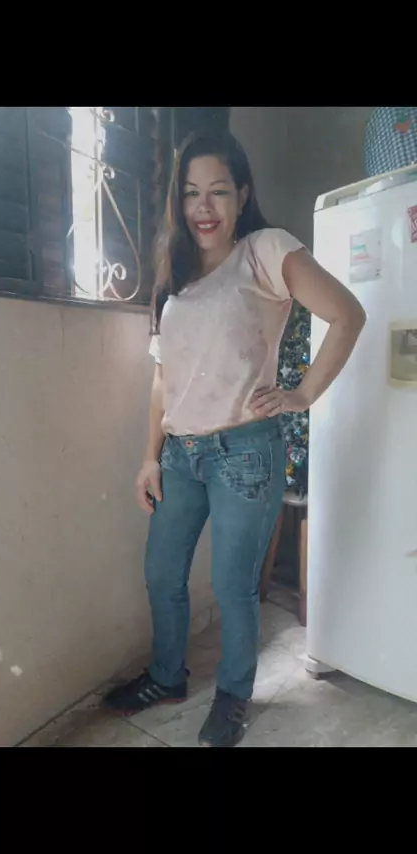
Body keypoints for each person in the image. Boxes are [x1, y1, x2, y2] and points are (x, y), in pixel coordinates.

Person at [103, 131, 366, 747]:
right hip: (180, 456)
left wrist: (302, 394)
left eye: (218, 191)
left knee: (233, 587)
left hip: (245, 453)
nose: (204, 206)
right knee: (162, 574)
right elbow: (163, 378)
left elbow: (347, 314)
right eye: (191, 193)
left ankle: (233, 696)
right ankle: (167, 677)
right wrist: (148, 458)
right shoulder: (175, 276)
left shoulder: (265, 250)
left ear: (242, 195)